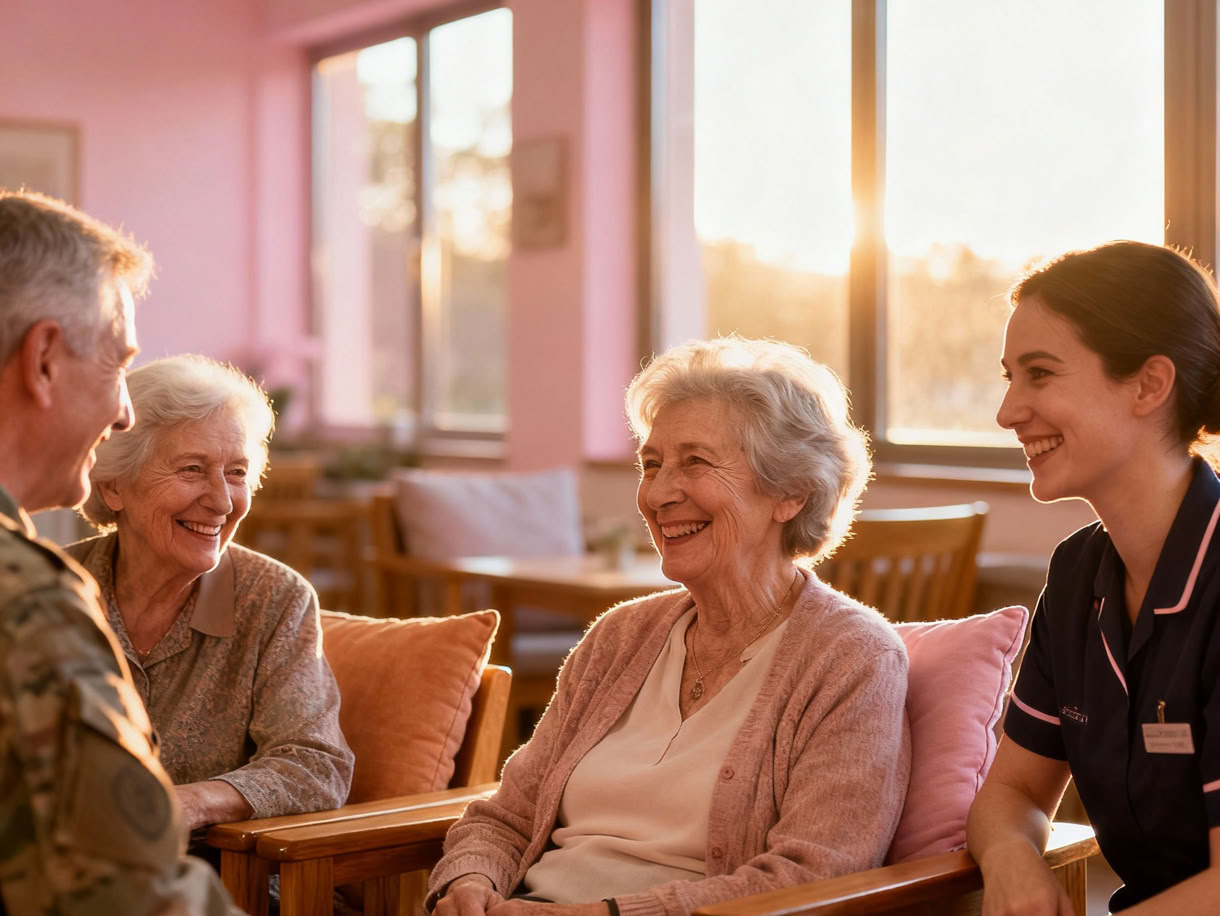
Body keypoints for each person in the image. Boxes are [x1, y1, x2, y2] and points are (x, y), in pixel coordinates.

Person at [428, 337, 911, 916]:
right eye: (651, 464)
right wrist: (469, 885)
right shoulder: (620, 636)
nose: (657, 495)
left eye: (695, 462)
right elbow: (506, 814)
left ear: (791, 493)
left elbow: (813, 875)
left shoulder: (852, 658)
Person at [0, 190, 237, 913]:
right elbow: (135, 899)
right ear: (43, 360)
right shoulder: (28, 602)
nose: (124, 410)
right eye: (117, 365)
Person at [967, 241, 1220, 914]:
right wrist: (1012, 858)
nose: (1008, 411)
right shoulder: (1078, 574)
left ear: (1149, 384)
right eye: (1009, 377)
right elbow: (1011, 794)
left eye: (1041, 374)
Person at [66, 353, 353, 842]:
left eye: (237, 472)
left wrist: (191, 802)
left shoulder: (272, 598)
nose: (222, 501)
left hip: (217, 882)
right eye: (193, 470)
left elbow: (315, 764)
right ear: (114, 486)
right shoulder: (56, 584)